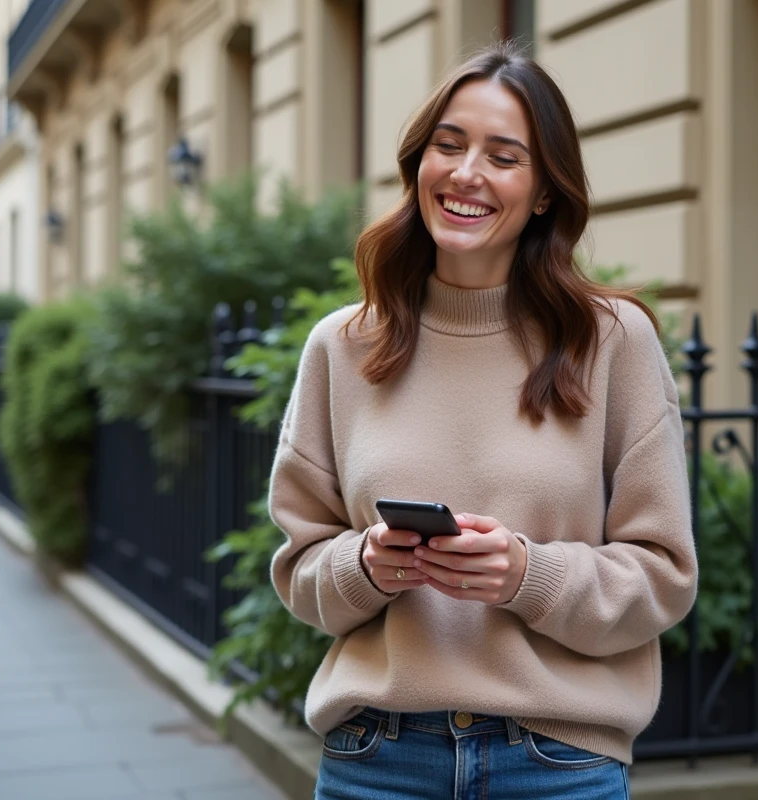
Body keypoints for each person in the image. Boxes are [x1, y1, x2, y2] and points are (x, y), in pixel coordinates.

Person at [268, 39, 698, 800]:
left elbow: (664, 577)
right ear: (420, 165)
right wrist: (366, 564)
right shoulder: (341, 346)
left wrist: (527, 574)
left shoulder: (612, 342)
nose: (468, 174)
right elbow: (299, 570)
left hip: (559, 763)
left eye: (504, 156)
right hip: (379, 759)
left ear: (542, 193)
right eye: (449, 145)